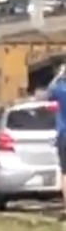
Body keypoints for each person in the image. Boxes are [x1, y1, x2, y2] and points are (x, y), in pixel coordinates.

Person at [47, 63, 66, 221]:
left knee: (65, 173)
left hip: (64, 135)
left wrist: (59, 74)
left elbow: (49, 90)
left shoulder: (60, 90)